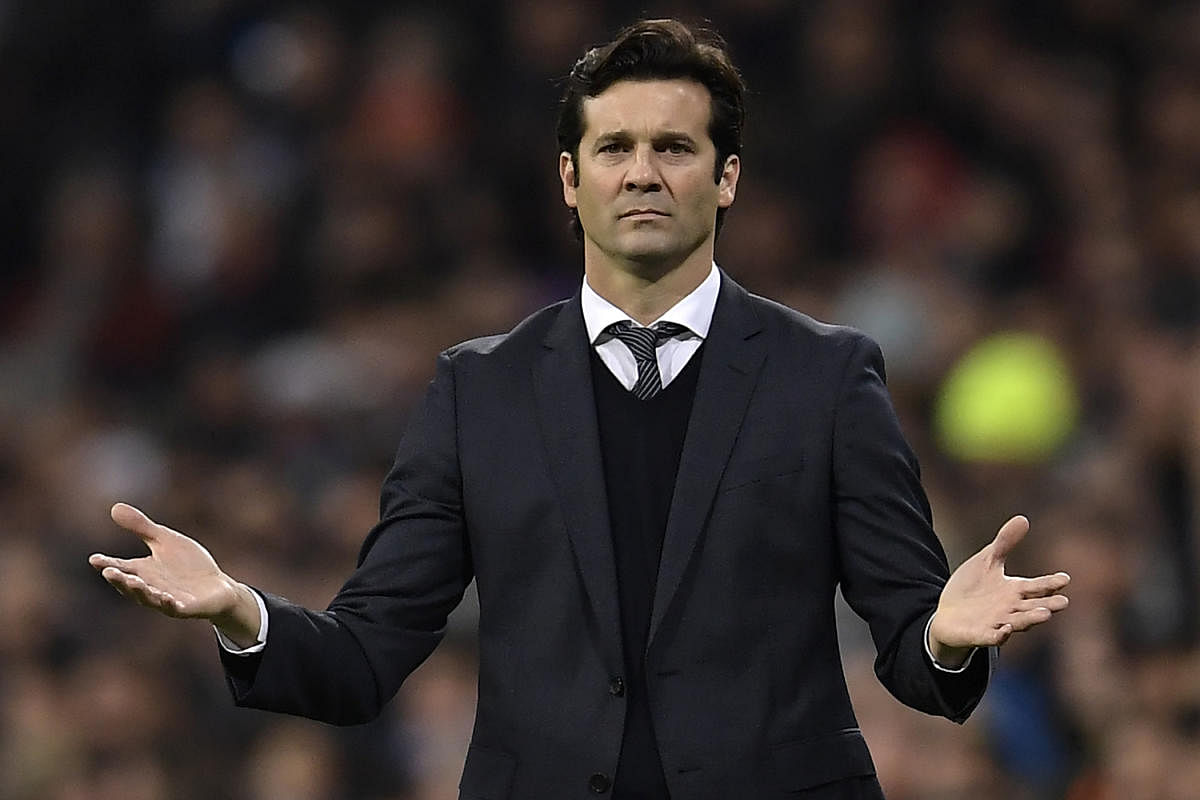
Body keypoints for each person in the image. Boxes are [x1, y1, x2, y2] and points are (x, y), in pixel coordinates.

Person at [90, 18, 1070, 799]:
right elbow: (367, 652)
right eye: (614, 147)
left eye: (676, 146)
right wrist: (241, 611)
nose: (643, 171)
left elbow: (908, 647)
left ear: (726, 178)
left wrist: (944, 635)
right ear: (571, 177)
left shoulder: (828, 375)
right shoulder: (477, 390)